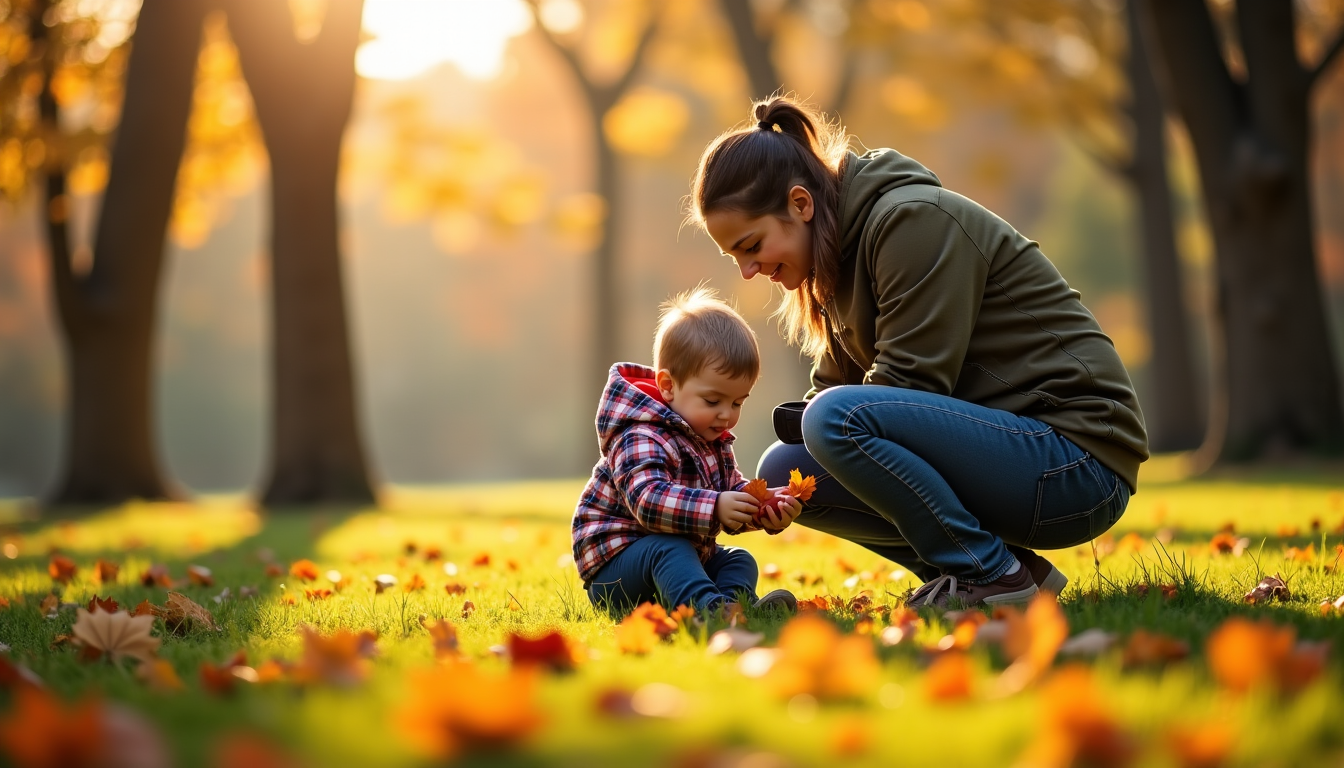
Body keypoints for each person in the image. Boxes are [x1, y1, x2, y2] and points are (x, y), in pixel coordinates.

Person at [688, 96, 1149, 609]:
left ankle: (990, 573)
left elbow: (905, 390)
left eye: (752, 247)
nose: (748, 272)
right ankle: (1007, 575)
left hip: (1077, 464)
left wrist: (823, 417)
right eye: (736, 257)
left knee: (830, 423)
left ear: (801, 204)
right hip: (1013, 456)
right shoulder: (834, 265)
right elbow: (833, 400)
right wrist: (767, 498)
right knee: (785, 468)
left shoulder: (912, 222)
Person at [572, 287, 803, 615]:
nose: (726, 414)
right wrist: (715, 507)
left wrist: (762, 508)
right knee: (669, 548)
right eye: (713, 401)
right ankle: (706, 610)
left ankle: (736, 608)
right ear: (667, 385)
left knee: (738, 559)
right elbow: (648, 501)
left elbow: (729, 492)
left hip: (683, 561)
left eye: (737, 402)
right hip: (617, 572)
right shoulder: (639, 433)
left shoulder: (712, 437)